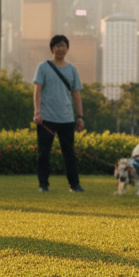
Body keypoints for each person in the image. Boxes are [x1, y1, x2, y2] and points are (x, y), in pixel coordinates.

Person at [33, 35, 86, 193]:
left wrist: (80, 117)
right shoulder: (43, 67)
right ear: (52, 49)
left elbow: (76, 94)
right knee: (44, 154)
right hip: (46, 119)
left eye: (63, 46)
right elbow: (37, 91)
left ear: (67, 48)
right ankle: (43, 185)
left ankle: (74, 185)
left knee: (69, 154)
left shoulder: (72, 70)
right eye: (57, 46)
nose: (60, 49)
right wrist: (37, 112)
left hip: (67, 119)